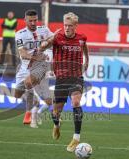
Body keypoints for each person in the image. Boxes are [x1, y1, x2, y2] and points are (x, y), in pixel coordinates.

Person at [38, 12, 89, 152]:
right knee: (55, 112)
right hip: (61, 78)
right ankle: (56, 124)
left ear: (75, 26)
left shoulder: (82, 38)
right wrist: (50, 37)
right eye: (65, 25)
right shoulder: (57, 37)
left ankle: (76, 138)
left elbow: (85, 47)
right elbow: (41, 47)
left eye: (70, 26)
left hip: (76, 77)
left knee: (76, 102)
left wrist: (87, 61)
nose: (67, 28)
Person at [14, 9, 54, 128]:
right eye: (30, 21)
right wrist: (36, 57)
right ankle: (35, 104)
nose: (33, 23)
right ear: (25, 20)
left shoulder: (44, 30)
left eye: (35, 20)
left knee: (29, 83)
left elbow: (54, 41)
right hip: (25, 67)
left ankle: (31, 111)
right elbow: (22, 53)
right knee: (17, 94)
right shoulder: (20, 34)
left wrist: (48, 43)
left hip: (40, 67)